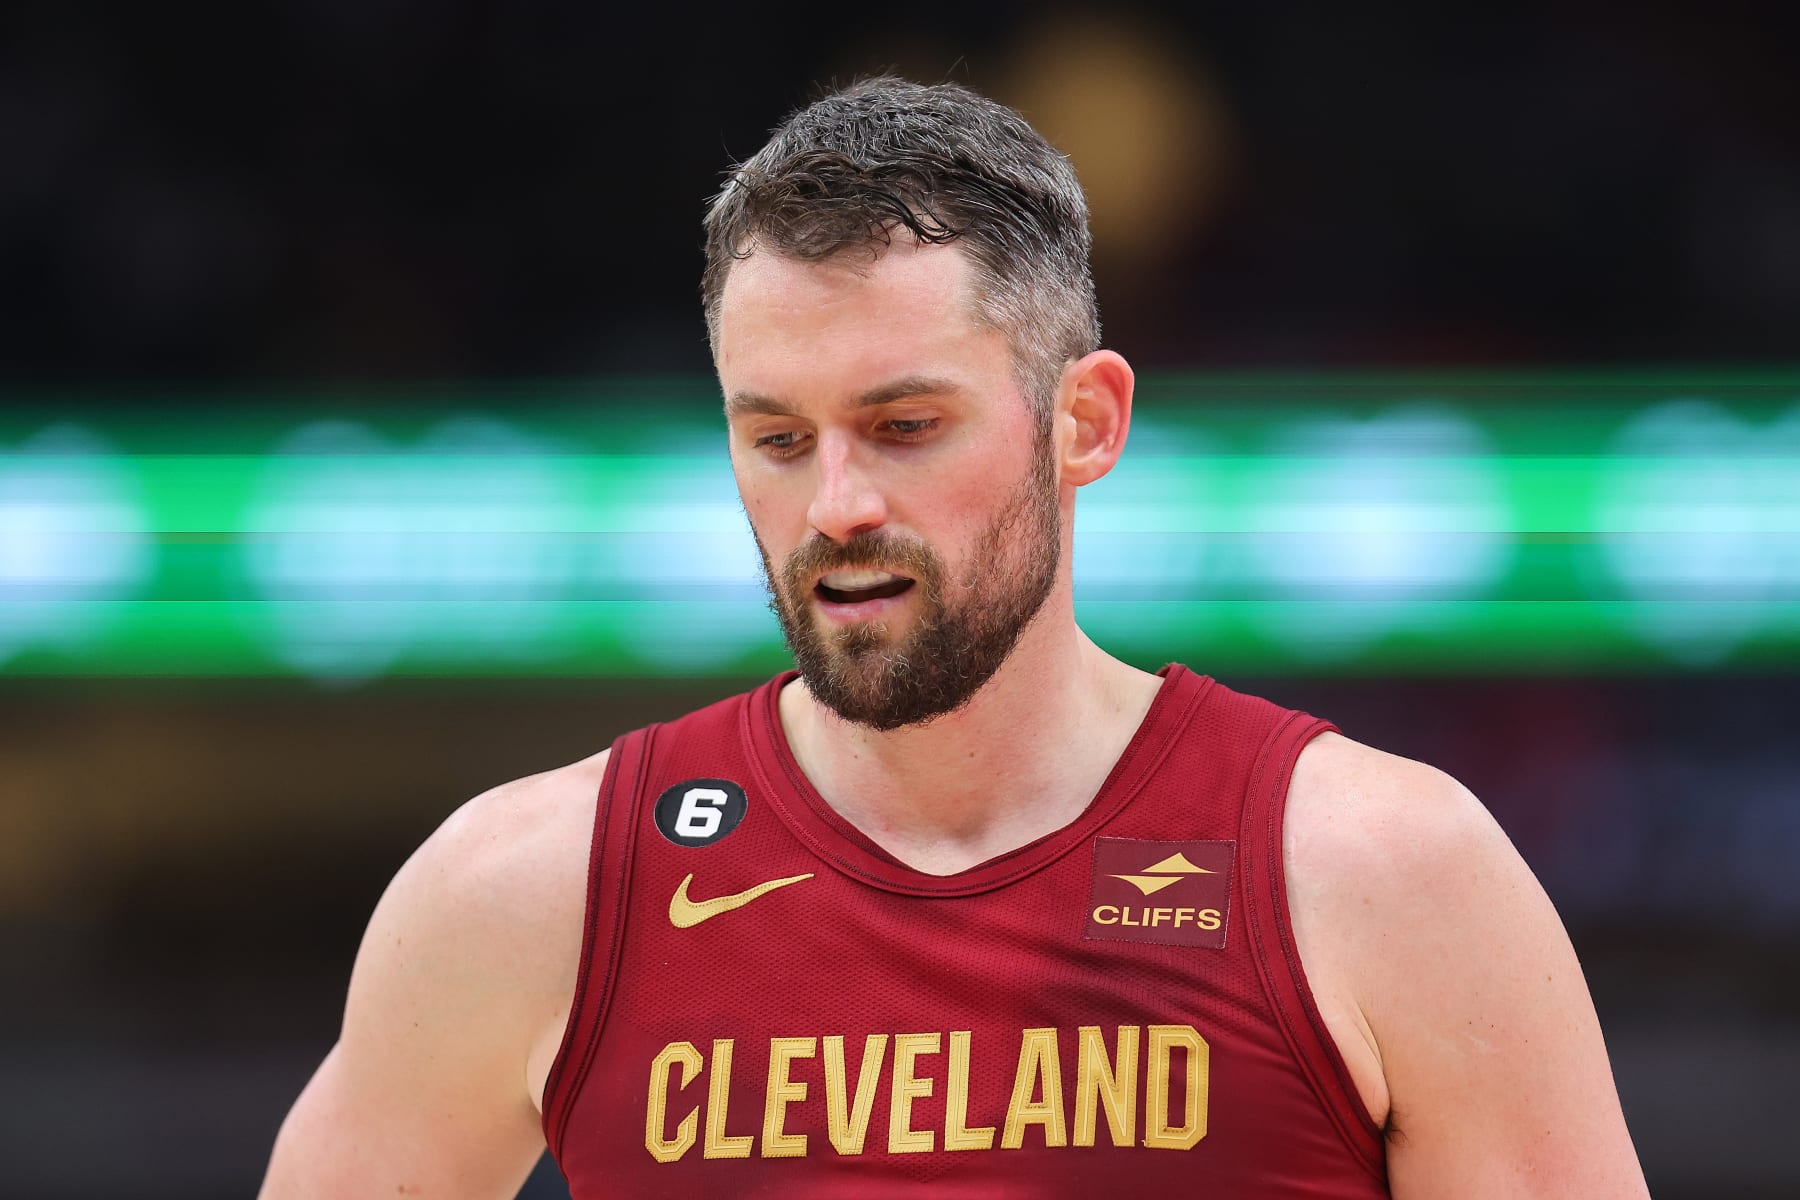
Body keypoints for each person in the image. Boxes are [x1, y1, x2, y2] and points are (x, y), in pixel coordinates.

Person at [260, 77, 1648, 1198]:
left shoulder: (1383, 874)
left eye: (905, 427)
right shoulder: (530, 892)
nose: (839, 506)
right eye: (780, 440)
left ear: (1084, 422)